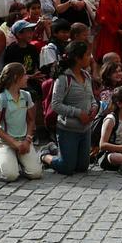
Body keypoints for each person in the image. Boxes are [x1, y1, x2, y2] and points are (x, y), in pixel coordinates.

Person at [41, 42, 95, 175]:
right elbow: (56, 104)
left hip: (85, 128)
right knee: (66, 167)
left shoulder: (86, 76)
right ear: (77, 58)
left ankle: (57, 149)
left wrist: (94, 107)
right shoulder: (63, 78)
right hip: (68, 128)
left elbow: (91, 98)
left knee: (82, 167)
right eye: (87, 55)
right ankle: (44, 155)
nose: (91, 58)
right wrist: (77, 113)